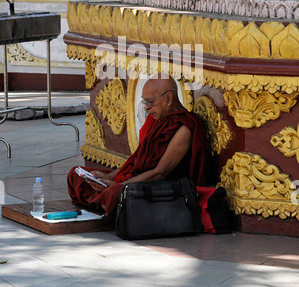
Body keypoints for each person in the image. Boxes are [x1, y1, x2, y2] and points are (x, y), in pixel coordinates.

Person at [67, 74, 209, 216]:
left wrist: (119, 186)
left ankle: (106, 202)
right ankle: (104, 202)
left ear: (169, 98)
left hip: (155, 187)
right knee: (75, 174)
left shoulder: (184, 128)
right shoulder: (159, 119)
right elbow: (136, 161)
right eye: (145, 102)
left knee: (112, 194)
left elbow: (159, 173)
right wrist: (109, 177)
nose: (147, 108)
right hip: (134, 179)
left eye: (150, 102)